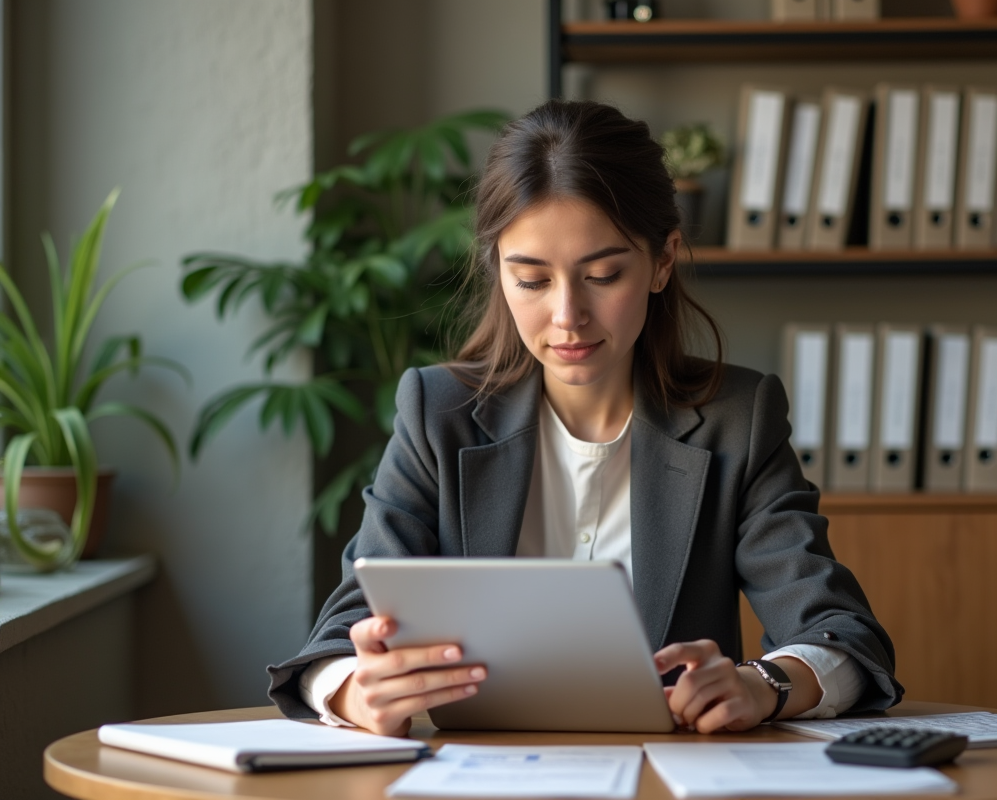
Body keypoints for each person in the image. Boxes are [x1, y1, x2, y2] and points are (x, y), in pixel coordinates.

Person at [268, 99, 902, 737]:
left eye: (602, 274)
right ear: (498, 272)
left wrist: (763, 685)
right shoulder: (438, 414)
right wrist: (353, 691)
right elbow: (337, 638)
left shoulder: (737, 419)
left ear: (661, 261)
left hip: (670, 774)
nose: (568, 315)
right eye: (533, 281)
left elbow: (843, 636)